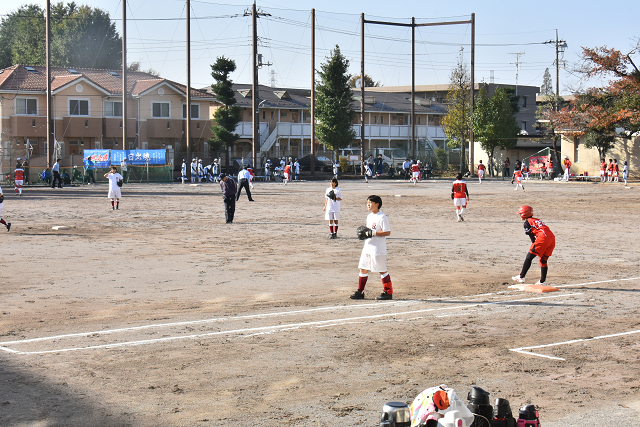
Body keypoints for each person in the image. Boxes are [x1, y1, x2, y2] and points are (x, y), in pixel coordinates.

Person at [351, 195, 393, 300]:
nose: (368, 205)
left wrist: (374, 233)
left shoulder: (382, 217)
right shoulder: (369, 216)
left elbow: (387, 232)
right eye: (367, 203)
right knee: (363, 268)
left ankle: (388, 293)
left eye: (370, 203)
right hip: (367, 246)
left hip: (378, 248)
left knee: (382, 270)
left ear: (377, 204)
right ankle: (360, 292)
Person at [512, 205, 555, 286]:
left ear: (524, 214)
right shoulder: (537, 220)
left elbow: (532, 236)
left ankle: (521, 276)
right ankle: (542, 282)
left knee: (529, 257)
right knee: (543, 260)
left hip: (543, 239)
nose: (520, 215)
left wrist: (534, 245)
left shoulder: (527, 223)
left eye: (521, 213)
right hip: (552, 238)